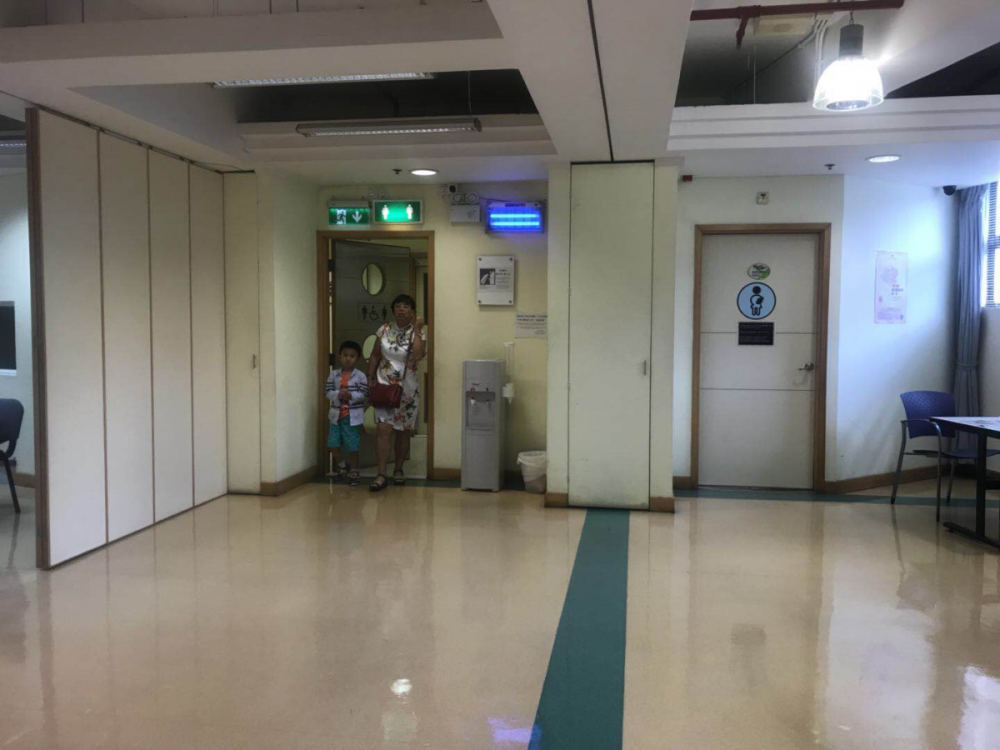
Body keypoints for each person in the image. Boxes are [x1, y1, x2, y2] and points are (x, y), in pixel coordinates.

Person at [367, 294, 427, 492]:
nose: (402, 309)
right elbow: (375, 355)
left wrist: (417, 329)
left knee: (403, 432)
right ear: (393, 310)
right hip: (384, 386)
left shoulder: (418, 333)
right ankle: (381, 474)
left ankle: (399, 469)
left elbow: (418, 355)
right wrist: (370, 377)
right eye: (398, 306)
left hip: (407, 390)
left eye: (406, 306)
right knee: (383, 430)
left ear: (413, 312)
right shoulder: (384, 330)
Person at [325, 340, 368, 486]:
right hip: (336, 416)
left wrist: (351, 395)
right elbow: (327, 392)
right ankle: (343, 465)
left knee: (352, 445)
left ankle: (354, 471)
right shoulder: (334, 375)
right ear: (340, 356)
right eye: (345, 355)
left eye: (352, 356)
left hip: (352, 416)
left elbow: (364, 394)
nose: (348, 358)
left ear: (357, 358)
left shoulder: (360, 376)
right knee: (332, 444)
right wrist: (338, 394)